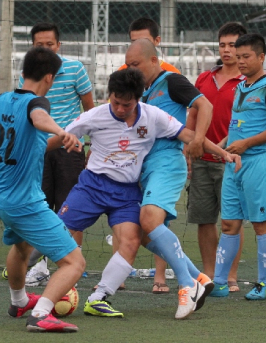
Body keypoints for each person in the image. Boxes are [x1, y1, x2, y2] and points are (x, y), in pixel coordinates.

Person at [58, 68, 239, 320]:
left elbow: (190, 130)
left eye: (127, 104)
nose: (120, 109)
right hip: (95, 185)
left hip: (139, 183)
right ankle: (196, 277)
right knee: (60, 233)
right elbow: (62, 135)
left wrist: (223, 153)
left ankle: (181, 285)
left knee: (141, 230)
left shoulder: (155, 112)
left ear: (138, 98)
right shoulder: (95, 116)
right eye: (116, 102)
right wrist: (36, 152)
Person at [0, 46, 85, 333]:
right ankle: (40, 315)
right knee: (75, 262)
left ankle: (19, 301)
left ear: (23, 72)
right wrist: (61, 131)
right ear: (50, 77)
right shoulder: (37, 103)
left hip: (1, 198)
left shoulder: (0, 100)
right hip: (26, 202)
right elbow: (38, 119)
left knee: (21, 247)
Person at [125, 38, 220, 300]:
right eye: (128, 65)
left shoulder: (172, 81)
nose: (131, 69)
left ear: (154, 60)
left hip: (166, 161)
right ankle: (197, 278)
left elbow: (205, 105)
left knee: (148, 222)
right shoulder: (143, 92)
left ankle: (188, 286)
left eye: (136, 64)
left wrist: (199, 138)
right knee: (142, 233)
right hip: (145, 167)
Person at [16, 22, 94, 287]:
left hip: (70, 149)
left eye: (50, 44)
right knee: (39, 206)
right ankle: (34, 266)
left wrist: (90, 141)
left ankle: (75, 263)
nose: (46, 49)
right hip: (38, 150)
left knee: (71, 206)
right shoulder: (27, 76)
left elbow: (89, 108)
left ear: (59, 45)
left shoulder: (75, 69)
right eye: (40, 45)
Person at [214, 33, 266, 301]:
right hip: (234, 166)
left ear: (261, 57)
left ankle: (263, 284)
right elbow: (235, 128)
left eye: (246, 56)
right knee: (228, 224)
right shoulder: (241, 87)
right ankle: (219, 282)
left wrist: (246, 144)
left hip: (257, 163)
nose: (240, 60)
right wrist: (220, 146)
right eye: (238, 55)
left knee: (261, 224)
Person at [116, 16, 177, 290]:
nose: (136, 47)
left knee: (156, 217)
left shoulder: (170, 76)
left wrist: (191, 141)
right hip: (133, 160)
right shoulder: (125, 75)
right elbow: (116, 112)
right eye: (132, 41)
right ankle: (118, 273)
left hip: (163, 159)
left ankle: (161, 276)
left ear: (156, 44)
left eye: (144, 41)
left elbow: (197, 107)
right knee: (124, 214)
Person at [185, 21, 246, 293]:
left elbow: (246, 122)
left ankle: (230, 274)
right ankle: (210, 273)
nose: (227, 50)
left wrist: (222, 148)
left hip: (231, 160)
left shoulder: (249, 82)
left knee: (232, 220)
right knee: (204, 218)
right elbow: (193, 116)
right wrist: (188, 147)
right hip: (201, 159)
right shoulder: (203, 78)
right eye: (223, 44)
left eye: (233, 45)